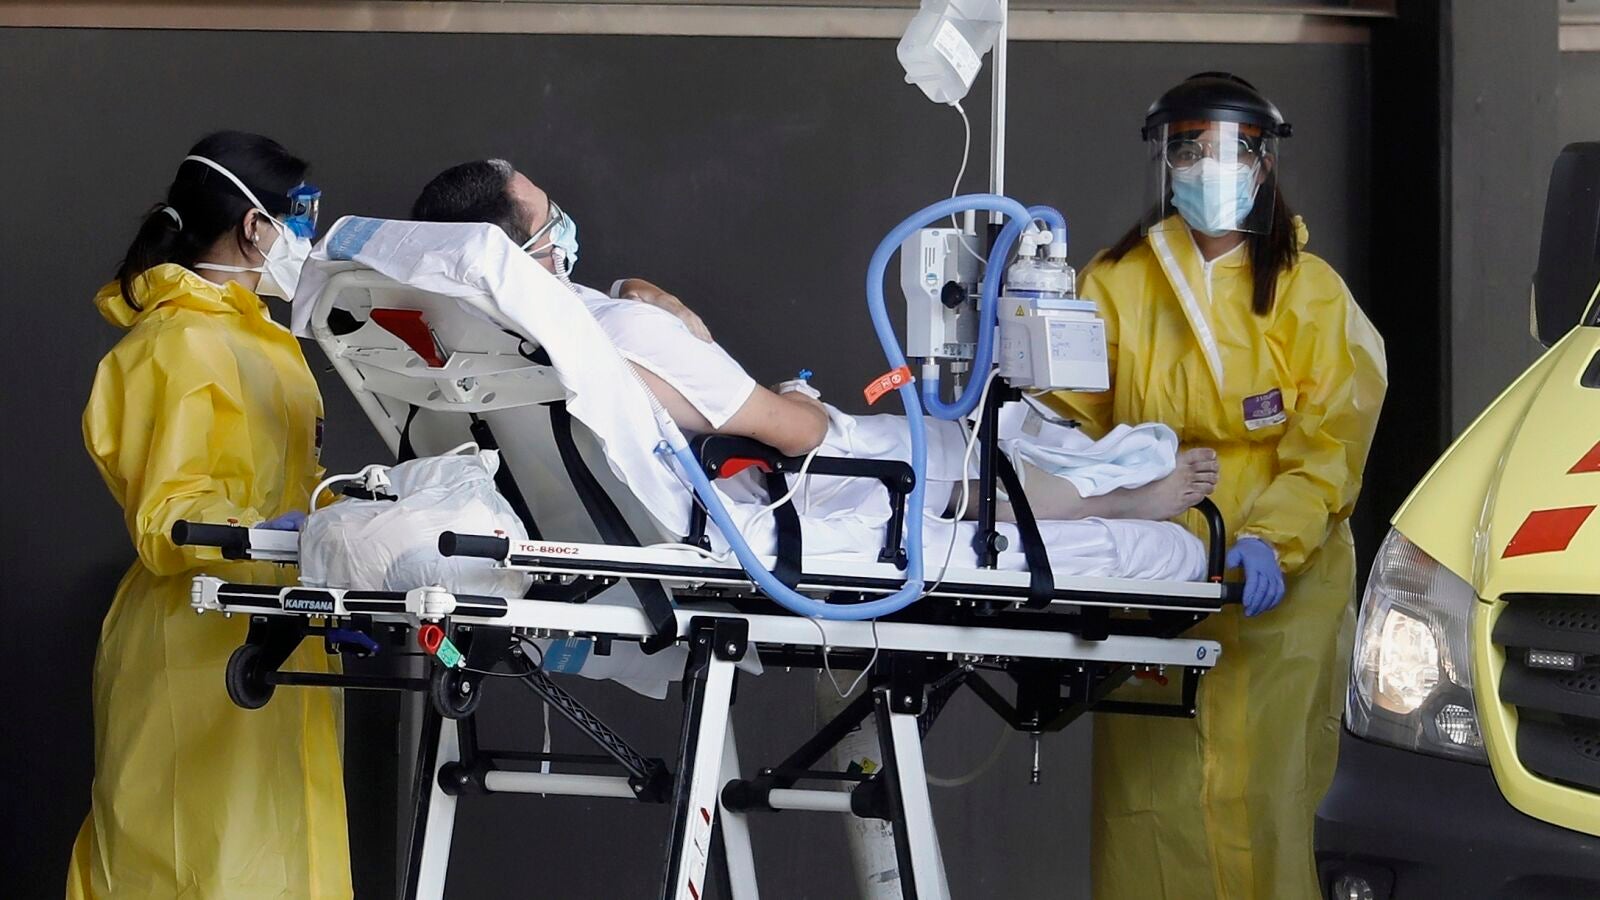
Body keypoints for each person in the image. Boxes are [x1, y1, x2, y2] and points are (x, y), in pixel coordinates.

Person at [410, 159, 1222, 527]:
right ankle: (1122, 499)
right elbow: (789, 431)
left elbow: (636, 316)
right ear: (530, 256)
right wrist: (794, 404)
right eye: (548, 217)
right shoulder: (627, 338)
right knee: (961, 456)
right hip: (789, 477)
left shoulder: (494, 340)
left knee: (968, 438)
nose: (564, 225)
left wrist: (651, 297)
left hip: (697, 463)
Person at [1046, 73, 1388, 899]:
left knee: (1271, 802)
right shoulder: (1115, 283)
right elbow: (1062, 428)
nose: (1208, 167)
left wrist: (1270, 538)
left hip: (1282, 596)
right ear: (1164, 162)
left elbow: (1329, 445)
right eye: (1189, 149)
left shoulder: (1309, 293)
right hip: (1152, 577)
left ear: (1265, 163)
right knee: (1151, 806)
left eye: (1228, 149)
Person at [68, 132, 350, 898]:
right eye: (299, 213)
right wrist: (280, 538)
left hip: (276, 628)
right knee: (200, 865)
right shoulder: (176, 345)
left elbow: (296, 484)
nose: (307, 232)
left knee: (287, 862)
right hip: (197, 640)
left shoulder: (268, 343)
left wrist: (344, 524)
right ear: (255, 224)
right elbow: (171, 515)